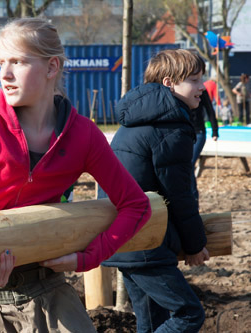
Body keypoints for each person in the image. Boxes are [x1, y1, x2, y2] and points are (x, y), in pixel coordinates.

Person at [0, 18, 152, 332]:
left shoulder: (84, 135)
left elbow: (136, 205)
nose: (5, 74)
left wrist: (87, 258)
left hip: (48, 290)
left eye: (19, 62)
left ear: (52, 67)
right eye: (2, 63)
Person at [99, 49, 210, 332]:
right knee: (188, 315)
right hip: (145, 240)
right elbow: (179, 193)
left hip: (123, 237)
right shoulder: (171, 127)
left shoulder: (139, 119)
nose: (202, 87)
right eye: (195, 80)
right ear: (170, 83)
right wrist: (195, 245)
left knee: (152, 323)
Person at [191, 89, 218, 205]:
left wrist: (215, 131)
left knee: (189, 163)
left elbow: (209, 110)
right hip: (185, 133)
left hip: (199, 133)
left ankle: (194, 198)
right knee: (185, 166)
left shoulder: (201, 91)